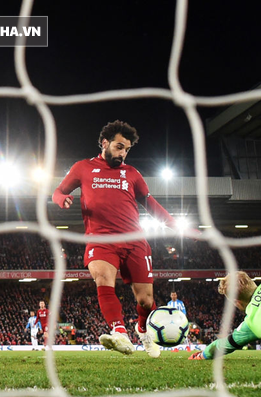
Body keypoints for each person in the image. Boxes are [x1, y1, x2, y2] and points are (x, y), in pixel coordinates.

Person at [52, 120, 198, 357]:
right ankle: (119, 331)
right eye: (119, 147)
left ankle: (142, 329)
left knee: (146, 301)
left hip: (135, 242)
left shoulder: (132, 173)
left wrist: (176, 226)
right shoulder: (83, 168)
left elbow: (150, 203)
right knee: (102, 278)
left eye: (127, 149)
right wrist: (62, 200)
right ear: (105, 143)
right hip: (101, 239)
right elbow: (58, 191)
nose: (123, 154)